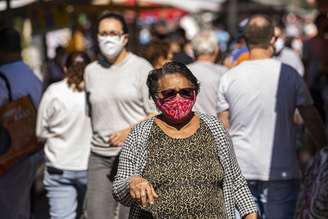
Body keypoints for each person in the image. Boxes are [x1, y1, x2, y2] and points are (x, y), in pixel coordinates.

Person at [113, 62, 258, 219]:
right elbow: (119, 189)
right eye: (169, 94)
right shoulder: (141, 133)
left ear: (195, 93)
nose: (178, 98)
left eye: (186, 92)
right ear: (156, 98)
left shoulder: (213, 127)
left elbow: (236, 181)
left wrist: (250, 214)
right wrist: (132, 182)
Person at [217, 15, 327, 219]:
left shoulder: (229, 77)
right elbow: (310, 117)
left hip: (239, 169)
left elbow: (223, 126)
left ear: (246, 40)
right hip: (281, 170)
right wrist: (324, 148)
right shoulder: (289, 73)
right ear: (273, 40)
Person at [84, 11, 156, 219]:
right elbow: (91, 113)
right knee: (96, 214)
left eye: (113, 33)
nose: (108, 38)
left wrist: (130, 131)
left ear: (124, 37)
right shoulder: (90, 71)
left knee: (131, 215)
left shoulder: (142, 68)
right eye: (103, 33)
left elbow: (156, 114)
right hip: (99, 157)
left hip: (135, 157)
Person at [36, 52, 92, 219]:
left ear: (65, 68)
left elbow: (40, 132)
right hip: (91, 167)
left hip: (58, 166)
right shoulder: (97, 93)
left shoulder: (54, 92)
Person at [0, 27, 42, 219]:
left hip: (10, 156)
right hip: (30, 150)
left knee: (10, 210)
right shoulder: (32, 75)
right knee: (22, 208)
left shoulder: (2, 77)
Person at [188, 31, 228, 116]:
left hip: (187, 127)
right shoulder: (224, 73)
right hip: (217, 126)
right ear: (216, 50)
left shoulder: (181, 72)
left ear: (194, 51)